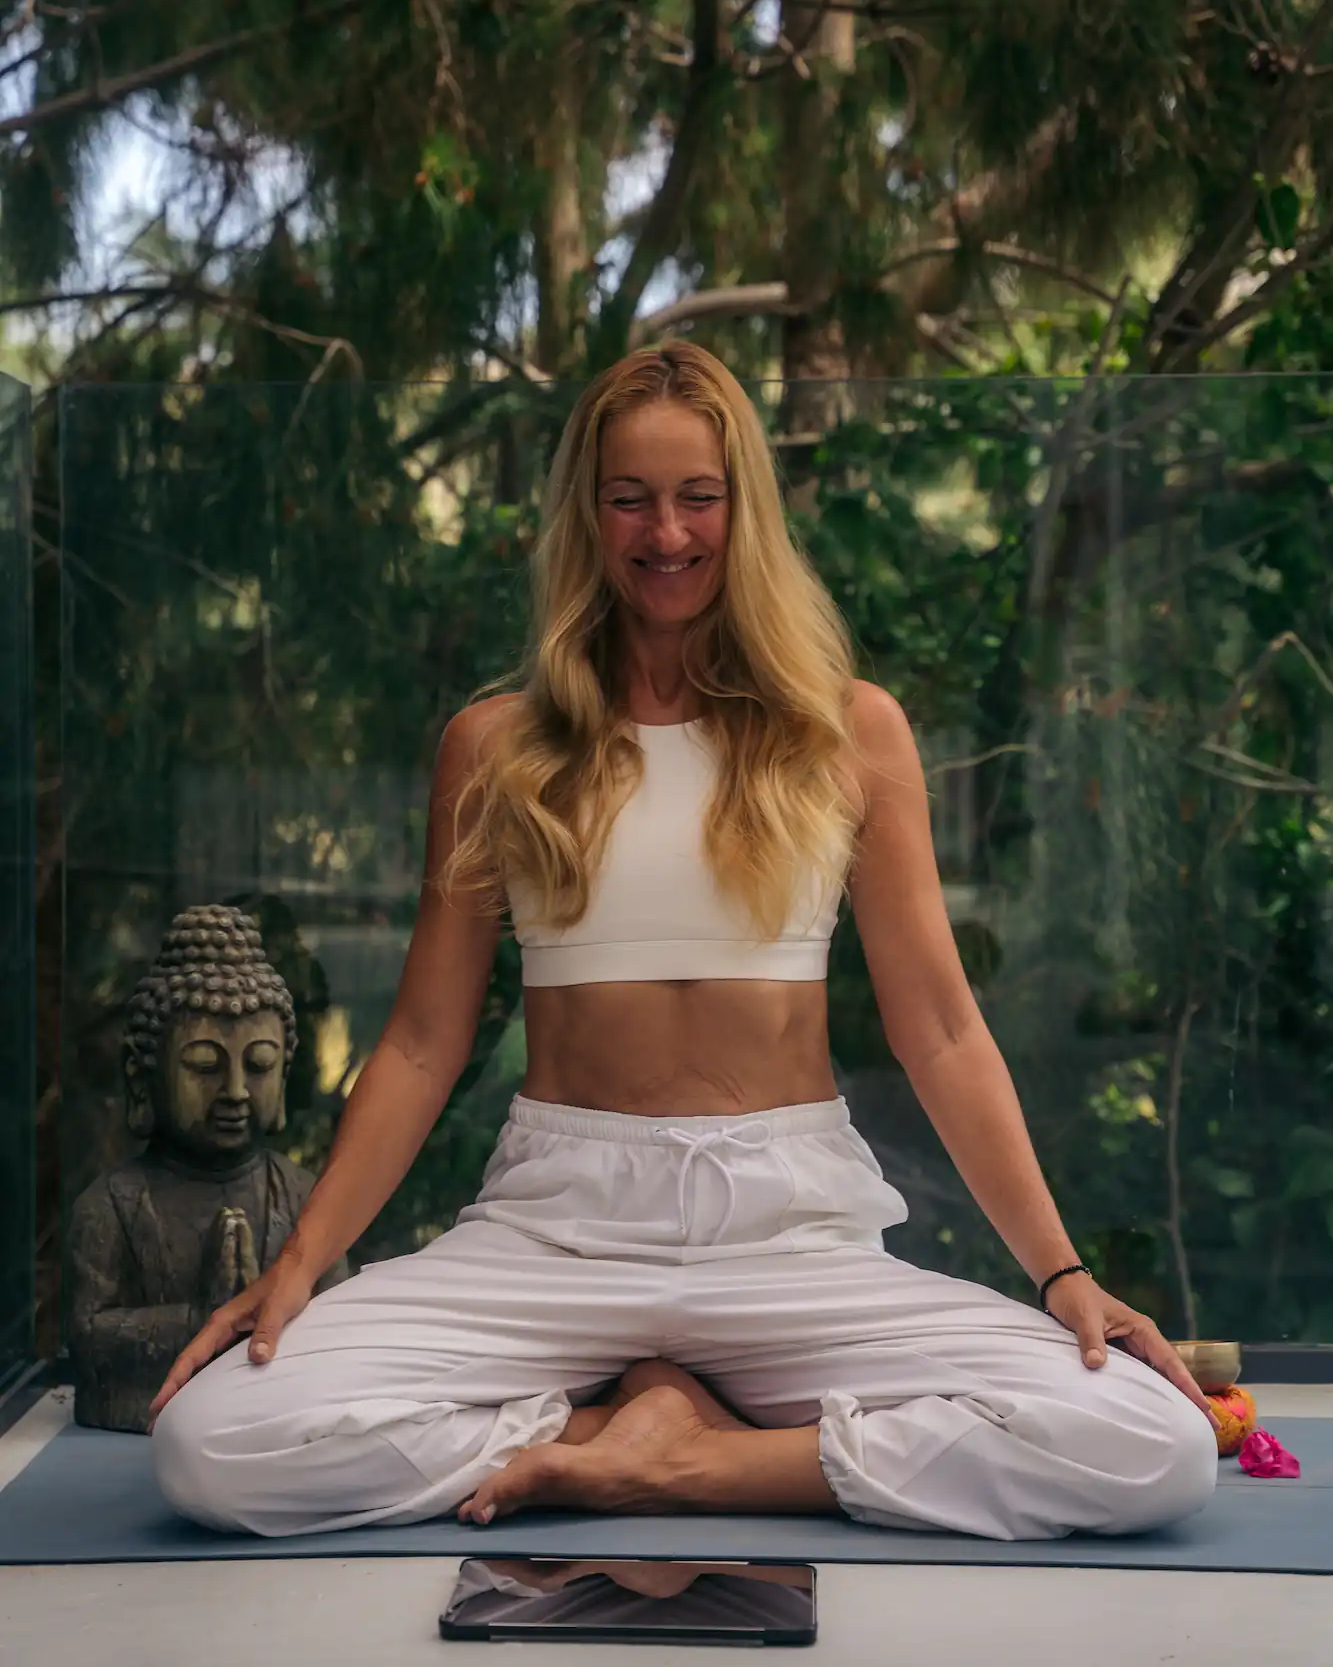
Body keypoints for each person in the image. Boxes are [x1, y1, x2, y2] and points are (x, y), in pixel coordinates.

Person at [150, 341, 1218, 1542]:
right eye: (630, 497)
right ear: (586, 513)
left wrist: (1060, 1271)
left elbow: (941, 1028)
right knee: (209, 1443)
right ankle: (603, 1428)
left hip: (787, 1228)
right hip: (559, 1225)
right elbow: (419, 1042)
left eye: (698, 495)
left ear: (742, 508)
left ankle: (699, 1458)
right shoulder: (496, 746)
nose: (666, 532)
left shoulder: (848, 733)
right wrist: (301, 1260)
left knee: (1157, 1444)